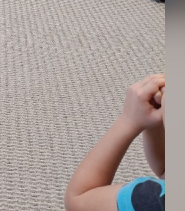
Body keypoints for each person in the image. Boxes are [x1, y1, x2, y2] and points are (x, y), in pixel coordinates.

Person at [64, 74, 165, 211]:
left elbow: (78, 199)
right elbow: (165, 170)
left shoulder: (150, 199)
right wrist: (156, 119)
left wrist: (129, 121)